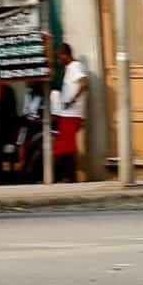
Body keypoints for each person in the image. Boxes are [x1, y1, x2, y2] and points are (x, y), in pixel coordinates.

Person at [53, 42, 88, 182]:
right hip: (67, 112)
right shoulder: (68, 68)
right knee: (65, 144)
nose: (58, 60)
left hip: (72, 113)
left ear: (65, 55)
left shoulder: (75, 66)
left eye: (59, 56)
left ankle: (68, 176)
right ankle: (68, 176)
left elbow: (84, 83)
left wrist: (72, 100)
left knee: (65, 145)